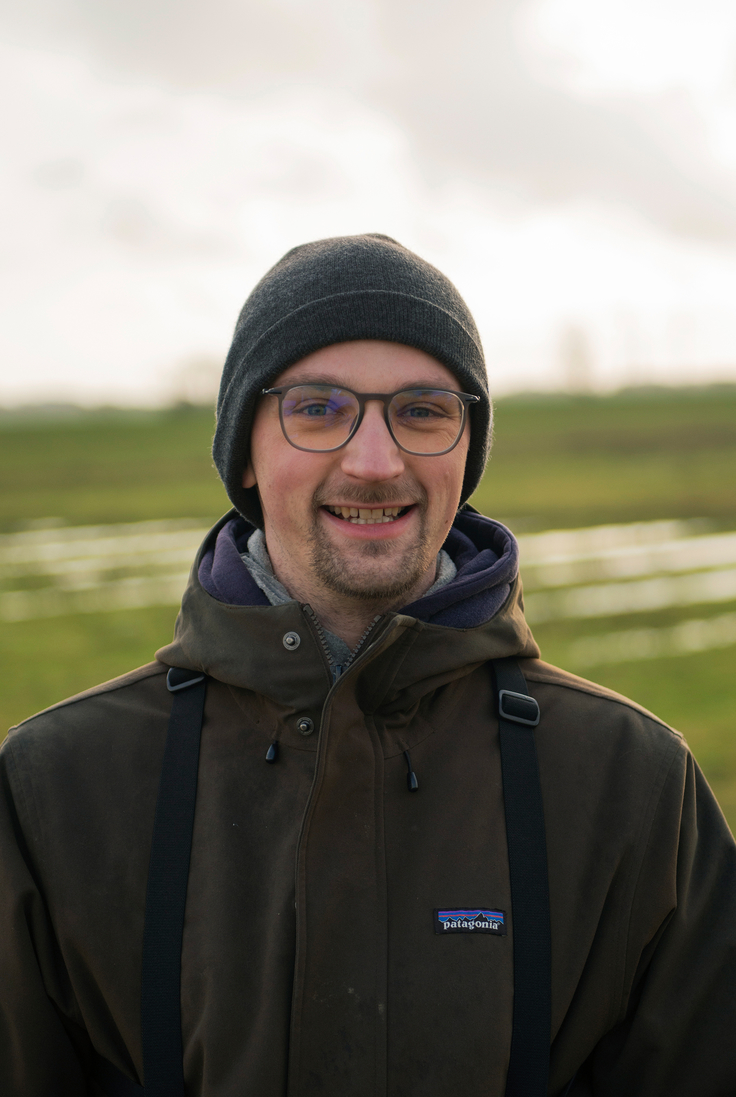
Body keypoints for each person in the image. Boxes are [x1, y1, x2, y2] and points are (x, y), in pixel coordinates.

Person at [1, 234, 735, 1097]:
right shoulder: (56, 788)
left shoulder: (633, 782)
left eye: (423, 410)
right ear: (244, 449)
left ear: (468, 449)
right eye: (317, 408)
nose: (376, 462)